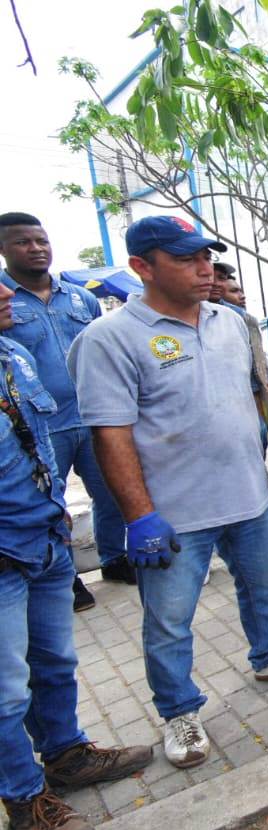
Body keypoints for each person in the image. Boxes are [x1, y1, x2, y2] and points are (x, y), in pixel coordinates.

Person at [67, 215, 268, 769]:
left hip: (250, 497)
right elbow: (110, 434)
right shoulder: (108, 339)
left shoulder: (232, 322)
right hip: (174, 515)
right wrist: (139, 516)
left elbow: (267, 382)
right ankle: (179, 709)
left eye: (205, 256)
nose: (204, 269)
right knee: (169, 619)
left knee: (265, 592)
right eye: (184, 259)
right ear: (141, 267)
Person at [0, 276, 155, 830]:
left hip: (40, 537)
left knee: (55, 661)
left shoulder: (13, 353)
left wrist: (53, 513)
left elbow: (35, 446)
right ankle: (24, 801)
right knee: (6, 693)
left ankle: (65, 754)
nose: (2, 293)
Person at [0, 212, 130, 613]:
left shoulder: (80, 297)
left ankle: (114, 558)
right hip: (38, 427)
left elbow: (101, 353)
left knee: (111, 491)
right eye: (24, 242)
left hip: (90, 416)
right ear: (4, 249)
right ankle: (65, 575)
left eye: (41, 240)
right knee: (49, 497)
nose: (37, 248)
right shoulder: (4, 300)